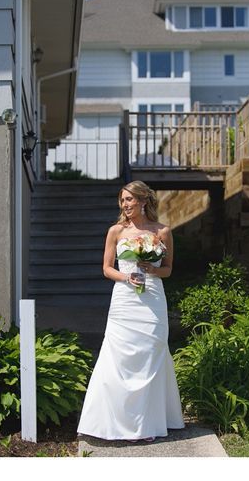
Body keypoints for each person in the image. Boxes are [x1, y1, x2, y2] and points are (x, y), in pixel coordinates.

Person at [78, 180, 184, 441]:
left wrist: (152, 269)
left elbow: (168, 269)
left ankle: (147, 424)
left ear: (143, 201)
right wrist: (126, 278)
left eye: (129, 200)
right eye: (122, 200)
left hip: (153, 298)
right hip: (125, 300)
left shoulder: (163, 231)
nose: (125, 205)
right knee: (120, 357)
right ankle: (114, 422)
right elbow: (106, 268)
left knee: (152, 352)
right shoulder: (115, 231)